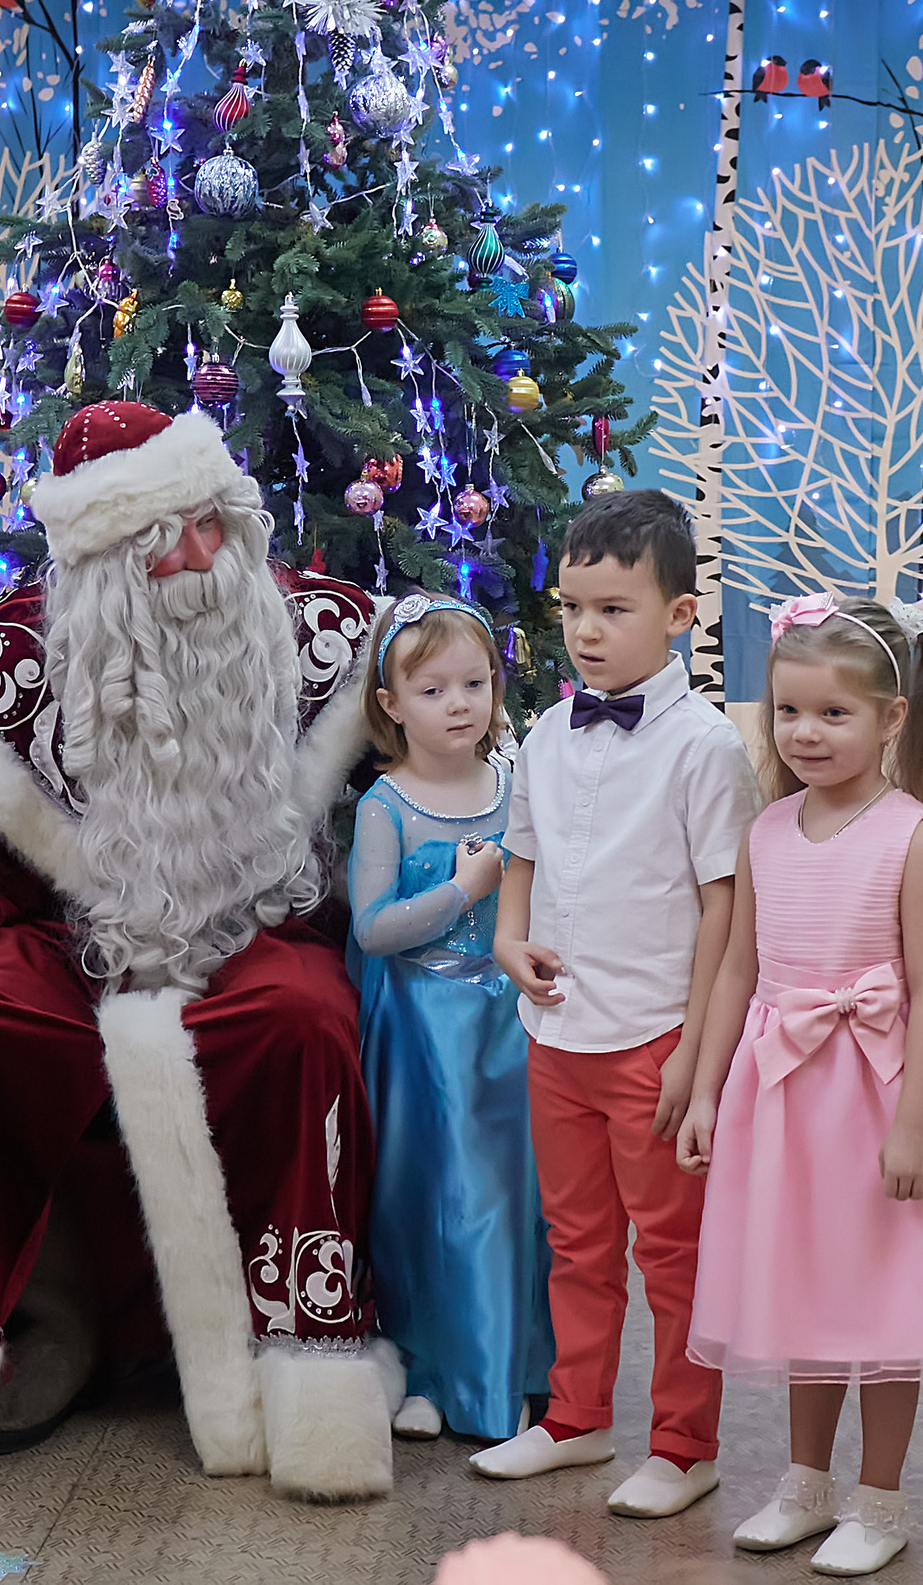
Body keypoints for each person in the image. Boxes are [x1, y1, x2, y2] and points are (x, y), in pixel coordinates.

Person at [0, 400, 398, 1498]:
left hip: (260, 923)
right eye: (163, 543)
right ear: (98, 567)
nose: (200, 559)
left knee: (301, 1021)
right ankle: (25, 1325)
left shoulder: (327, 636)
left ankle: (300, 1356)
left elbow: (438, 763)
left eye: (211, 524)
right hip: (72, 937)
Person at [678, 593, 923, 1578]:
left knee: (886, 1300)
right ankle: (805, 1483)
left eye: (834, 713)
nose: (806, 733)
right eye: (788, 711)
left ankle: (880, 1497)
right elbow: (737, 970)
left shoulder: (911, 836)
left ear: (891, 717)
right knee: (804, 1289)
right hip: (782, 1094)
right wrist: (706, 1090)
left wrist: (913, 1126)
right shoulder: (767, 830)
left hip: (877, 1094)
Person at [472, 488, 762, 1518]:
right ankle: (576, 1417)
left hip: (654, 1038)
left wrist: (695, 1054)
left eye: (612, 609)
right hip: (557, 1032)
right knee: (577, 1240)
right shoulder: (547, 732)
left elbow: (727, 908)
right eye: (572, 608)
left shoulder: (705, 747)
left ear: (679, 615)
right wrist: (508, 939)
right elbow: (522, 855)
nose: (586, 631)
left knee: (673, 1253)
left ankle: (685, 1444)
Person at [347, 593, 554, 1443]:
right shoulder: (386, 806)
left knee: (509, 1201)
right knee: (426, 1200)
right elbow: (372, 929)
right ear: (391, 704)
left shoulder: (515, 785)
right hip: (422, 1035)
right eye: (432, 690)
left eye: (474, 682)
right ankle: (428, 1367)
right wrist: (463, 890)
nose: (459, 703)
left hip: (507, 1025)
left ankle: (506, 1371)